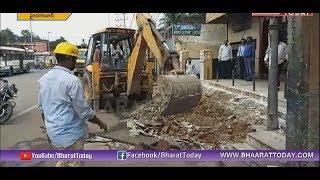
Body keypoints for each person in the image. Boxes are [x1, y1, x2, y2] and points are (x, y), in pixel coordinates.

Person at [38, 42, 108, 167]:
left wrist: (48, 128)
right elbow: (83, 111)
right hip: (71, 135)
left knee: (64, 160)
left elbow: (42, 108)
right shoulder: (72, 80)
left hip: (54, 133)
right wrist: (100, 123)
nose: (76, 62)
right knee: (75, 163)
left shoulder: (44, 79)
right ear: (69, 58)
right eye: (75, 59)